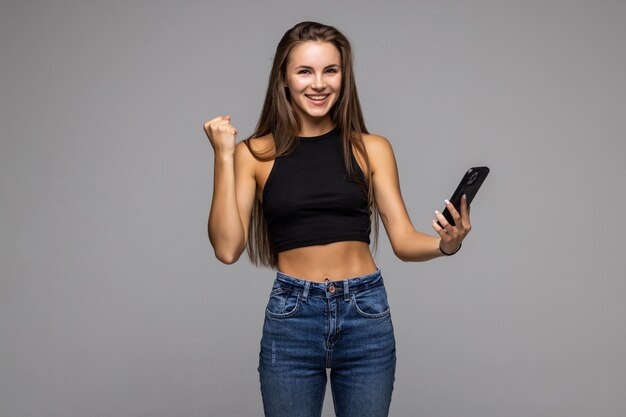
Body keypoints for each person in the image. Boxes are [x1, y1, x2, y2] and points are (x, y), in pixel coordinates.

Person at [203, 21, 471, 417]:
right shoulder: (254, 154)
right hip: (293, 317)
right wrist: (223, 157)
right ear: (284, 79)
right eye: (305, 71)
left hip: (364, 312)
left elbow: (403, 240)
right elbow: (227, 249)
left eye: (331, 70)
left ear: (344, 77)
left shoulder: (372, 149)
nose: (319, 84)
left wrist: (447, 244)